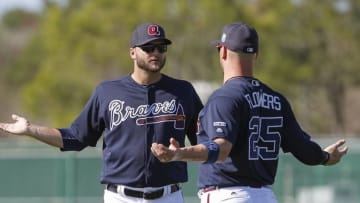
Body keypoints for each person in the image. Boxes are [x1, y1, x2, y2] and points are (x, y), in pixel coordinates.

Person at [0, 22, 203, 203]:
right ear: (132, 52)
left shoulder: (182, 91)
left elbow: (208, 143)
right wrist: (30, 129)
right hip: (120, 197)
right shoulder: (108, 92)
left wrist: (184, 154)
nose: (155, 52)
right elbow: (75, 137)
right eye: (148, 47)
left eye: (161, 47)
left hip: (168, 196)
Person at [150, 22, 348, 203]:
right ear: (256, 55)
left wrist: (178, 154)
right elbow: (303, 149)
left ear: (223, 51)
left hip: (229, 196)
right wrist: (325, 157)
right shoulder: (277, 99)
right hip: (265, 196)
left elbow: (221, 150)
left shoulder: (225, 97)